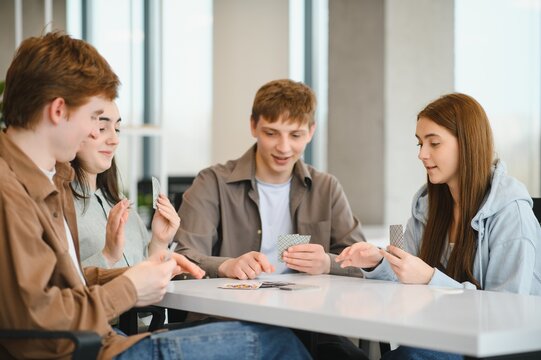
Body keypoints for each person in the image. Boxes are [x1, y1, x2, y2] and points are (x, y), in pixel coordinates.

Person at [0, 31, 310, 360]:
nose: (98, 133)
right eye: (94, 118)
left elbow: (61, 287)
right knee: (275, 342)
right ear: (59, 111)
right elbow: (37, 316)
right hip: (91, 351)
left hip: (103, 342)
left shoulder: (43, 180)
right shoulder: (12, 192)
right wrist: (130, 288)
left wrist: (139, 273)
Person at [336, 92, 541, 359]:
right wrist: (378, 262)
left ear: (467, 144)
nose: (422, 154)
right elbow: (406, 275)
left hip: (489, 349)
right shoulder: (427, 206)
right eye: (420, 143)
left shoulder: (511, 212)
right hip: (437, 337)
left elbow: (507, 312)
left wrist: (430, 279)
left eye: (434, 143)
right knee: (334, 348)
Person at [174, 79, 367, 359]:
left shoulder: (326, 188)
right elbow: (183, 257)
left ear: (311, 132)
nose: (284, 147)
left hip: (310, 325)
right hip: (231, 321)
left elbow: (363, 262)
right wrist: (227, 265)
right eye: (271, 133)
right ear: (253, 126)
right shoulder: (212, 182)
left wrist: (327, 261)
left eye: (296, 135)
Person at [71, 100, 180, 269]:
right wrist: (107, 256)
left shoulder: (119, 202)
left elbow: (144, 275)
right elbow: (58, 286)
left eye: (117, 129)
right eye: (101, 128)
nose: (115, 140)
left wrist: (159, 241)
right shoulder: (60, 205)